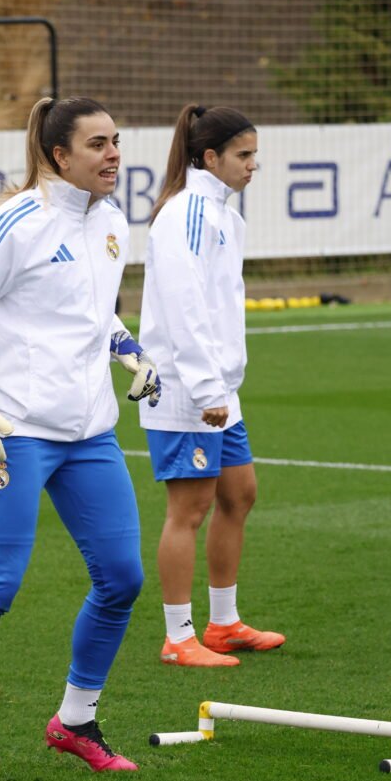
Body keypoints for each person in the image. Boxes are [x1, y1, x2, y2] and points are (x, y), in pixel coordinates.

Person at [0, 96, 161, 781]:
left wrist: (126, 346)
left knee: (122, 578)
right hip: (12, 432)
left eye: (116, 141)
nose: (113, 155)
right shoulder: (13, 221)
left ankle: (74, 722)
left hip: (91, 437)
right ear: (58, 156)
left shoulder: (110, 220)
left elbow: (89, 310)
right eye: (98, 145)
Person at [138, 103, 286, 668]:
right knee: (189, 508)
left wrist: (221, 386)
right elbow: (184, 308)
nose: (253, 166)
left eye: (255, 155)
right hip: (185, 391)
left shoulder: (226, 214)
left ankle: (223, 624)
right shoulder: (187, 214)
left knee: (239, 494)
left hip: (218, 388)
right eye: (244, 155)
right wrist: (205, 390)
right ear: (210, 157)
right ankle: (179, 637)